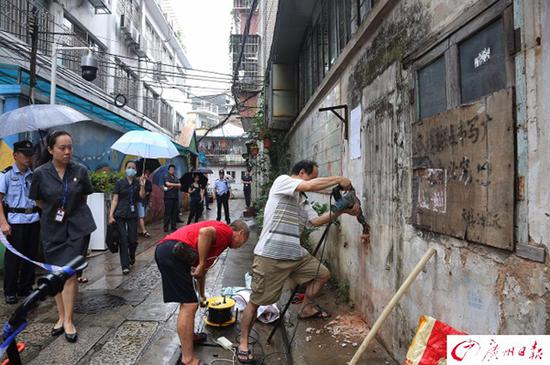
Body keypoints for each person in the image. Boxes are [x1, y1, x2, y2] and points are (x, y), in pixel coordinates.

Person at [237, 160, 360, 363]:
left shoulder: (302, 199)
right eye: (312, 176)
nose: (313, 181)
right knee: (258, 300)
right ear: (301, 173)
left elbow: (316, 221)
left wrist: (342, 210)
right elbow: (310, 185)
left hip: (295, 253)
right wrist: (339, 179)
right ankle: (243, 342)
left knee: (322, 274)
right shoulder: (282, 181)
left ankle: (306, 307)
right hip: (271, 254)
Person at [29, 131, 96, 343]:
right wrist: (56, 211)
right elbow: (39, 201)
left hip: (77, 228)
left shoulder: (80, 170)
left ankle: (68, 320)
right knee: (55, 274)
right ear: (51, 150)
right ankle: (60, 315)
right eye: (62, 148)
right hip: (52, 228)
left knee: (70, 274)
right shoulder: (40, 174)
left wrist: (69, 209)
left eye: (70, 147)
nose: (67, 152)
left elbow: (83, 196)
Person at [155, 220, 250, 365]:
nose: (239, 246)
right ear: (241, 233)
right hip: (172, 252)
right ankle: (188, 359)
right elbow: (204, 233)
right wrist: (201, 263)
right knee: (189, 305)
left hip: (171, 252)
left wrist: (202, 294)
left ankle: (190, 336)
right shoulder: (226, 232)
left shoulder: (221, 239)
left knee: (191, 303)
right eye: (243, 242)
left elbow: (202, 271)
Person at [0, 140, 40, 304]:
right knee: (14, 257)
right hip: (15, 221)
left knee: (31, 255)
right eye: (25, 154)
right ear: (15, 155)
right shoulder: (6, 175)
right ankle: (10, 290)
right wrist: (3, 222)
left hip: (33, 219)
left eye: (30, 154)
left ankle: (26, 287)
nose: (28, 158)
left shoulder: (34, 175)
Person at [109, 161, 146, 274]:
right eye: (129, 167)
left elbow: (142, 196)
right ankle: (125, 265)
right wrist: (110, 215)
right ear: (125, 169)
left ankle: (132, 255)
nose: (131, 169)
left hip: (132, 214)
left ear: (136, 171)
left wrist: (142, 185)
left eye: (133, 168)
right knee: (123, 240)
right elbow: (115, 199)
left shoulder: (137, 182)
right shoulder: (119, 183)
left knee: (132, 239)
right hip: (120, 213)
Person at [164, 164, 181, 232]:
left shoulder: (175, 177)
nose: (172, 170)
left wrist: (173, 185)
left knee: (174, 213)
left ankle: (173, 226)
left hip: (175, 197)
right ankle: (166, 227)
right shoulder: (166, 176)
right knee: (168, 213)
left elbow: (180, 185)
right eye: (171, 169)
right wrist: (176, 185)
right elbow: (167, 184)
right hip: (168, 197)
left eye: (173, 169)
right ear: (168, 170)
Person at [138, 170, 153, 238]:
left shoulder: (149, 183)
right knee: (141, 216)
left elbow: (148, 191)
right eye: (145, 174)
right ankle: (144, 231)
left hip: (146, 201)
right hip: (139, 201)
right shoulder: (138, 182)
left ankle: (141, 230)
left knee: (143, 216)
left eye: (147, 174)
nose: (146, 175)